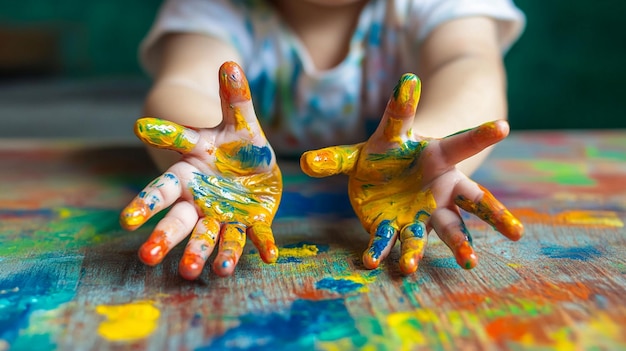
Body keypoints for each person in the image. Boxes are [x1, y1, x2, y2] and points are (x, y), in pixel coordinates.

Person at [120, 0, 526, 280]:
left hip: (395, 184)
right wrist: (207, 145)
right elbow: (183, 81)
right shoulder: (217, 8)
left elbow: (470, 68)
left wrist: (430, 148)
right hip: (251, 183)